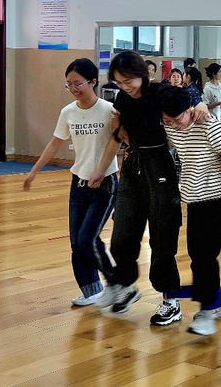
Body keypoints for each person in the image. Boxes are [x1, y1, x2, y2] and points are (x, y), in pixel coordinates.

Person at [90, 50, 209, 324]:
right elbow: (118, 134)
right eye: (119, 82)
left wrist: (200, 104)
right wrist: (100, 169)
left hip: (160, 166)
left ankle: (171, 300)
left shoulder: (160, 92)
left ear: (142, 74)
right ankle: (126, 285)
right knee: (122, 233)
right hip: (133, 165)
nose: (124, 87)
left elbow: (188, 100)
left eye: (128, 81)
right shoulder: (122, 99)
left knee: (162, 236)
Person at [23, 58, 120, 307]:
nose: (73, 89)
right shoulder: (68, 112)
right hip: (78, 182)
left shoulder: (109, 110)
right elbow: (55, 142)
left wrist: (100, 171)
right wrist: (34, 171)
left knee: (88, 238)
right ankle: (91, 291)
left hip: (105, 183)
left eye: (78, 83)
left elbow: (119, 141)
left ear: (93, 82)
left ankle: (117, 284)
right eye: (69, 84)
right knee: (77, 242)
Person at [160, 85, 221, 336]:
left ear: (189, 110)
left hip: (220, 200)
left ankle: (207, 310)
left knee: (203, 255)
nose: (174, 126)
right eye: (167, 121)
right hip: (195, 201)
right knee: (200, 255)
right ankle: (217, 304)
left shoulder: (212, 127)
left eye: (177, 119)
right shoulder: (171, 127)